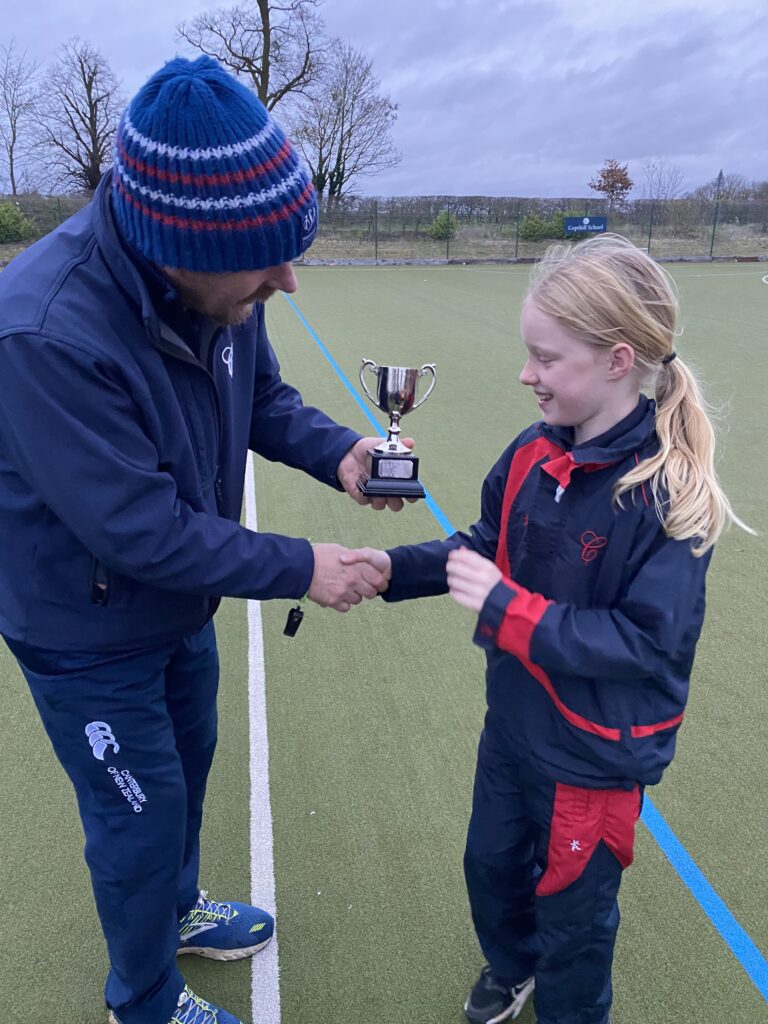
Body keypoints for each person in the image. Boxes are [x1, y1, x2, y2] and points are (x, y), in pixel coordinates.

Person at [0, 57, 396, 1024]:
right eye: (267, 261)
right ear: (180, 241)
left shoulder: (222, 283)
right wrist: (304, 565)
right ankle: (141, 1001)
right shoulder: (43, 331)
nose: (287, 279)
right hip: (83, 630)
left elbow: (260, 398)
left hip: (178, 607)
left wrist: (342, 452)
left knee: (187, 768)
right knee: (135, 821)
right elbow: (140, 531)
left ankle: (177, 912)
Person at [347, 234, 749, 1024]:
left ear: (616, 360)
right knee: (490, 865)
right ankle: (511, 965)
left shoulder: (669, 496)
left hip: (594, 757)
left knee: (576, 921)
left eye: (545, 358)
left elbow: (643, 643)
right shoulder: (532, 453)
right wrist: (395, 572)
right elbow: (480, 546)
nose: (526, 374)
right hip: (515, 728)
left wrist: (507, 609)